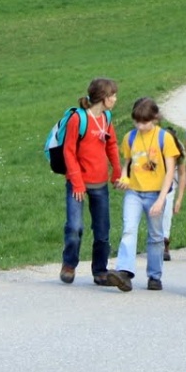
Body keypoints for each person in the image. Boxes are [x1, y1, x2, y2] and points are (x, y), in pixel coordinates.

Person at [62, 78, 128, 290]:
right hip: (78, 183)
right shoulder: (78, 119)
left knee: (102, 230)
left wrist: (117, 170)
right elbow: (69, 152)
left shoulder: (107, 117)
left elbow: (111, 144)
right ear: (103, 97)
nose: (115, 99)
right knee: (75, 227)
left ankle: (100, 271)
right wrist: (77, 182)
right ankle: (69, 264)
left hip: (100, 183)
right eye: (113, 95)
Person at [112, 97, 179, 292]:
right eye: (137, 121)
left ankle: (154, 276)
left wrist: (161, 199)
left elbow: (170, 171)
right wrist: (124, 178)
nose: (140, 126)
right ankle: (124, 272)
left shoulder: (164, 138)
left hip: (156, 193)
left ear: (155, 119)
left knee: (156, 236)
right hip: (134, 192)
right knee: (129, 229)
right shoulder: (130, 137)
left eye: (145, 122)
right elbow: (127, 164)